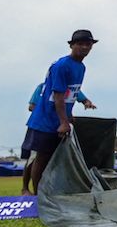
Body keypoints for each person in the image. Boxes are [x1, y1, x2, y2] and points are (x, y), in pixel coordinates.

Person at [23, 29, 98, 194]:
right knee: (40, 158)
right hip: (44, 121)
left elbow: (70, 93)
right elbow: (58, 96)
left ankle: (46, 192)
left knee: (51, 159)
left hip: (59, 120)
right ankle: (37, 195)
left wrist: (68, 116)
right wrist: (64, 122)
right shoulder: (62, 65)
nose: (85, 47)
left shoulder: (81, 67)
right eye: (80, 44)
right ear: (72, 45)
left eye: (88, 44)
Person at [22, 82, 95, 195]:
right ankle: (26, 189)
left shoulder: (71, 88)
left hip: (58, 128)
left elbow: (83, 99)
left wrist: (87, 103)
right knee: (34, 157)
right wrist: (48, 111)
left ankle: (50, 189)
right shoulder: (43, 88)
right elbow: (31, 106)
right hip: (41, 126)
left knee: (52, 157)